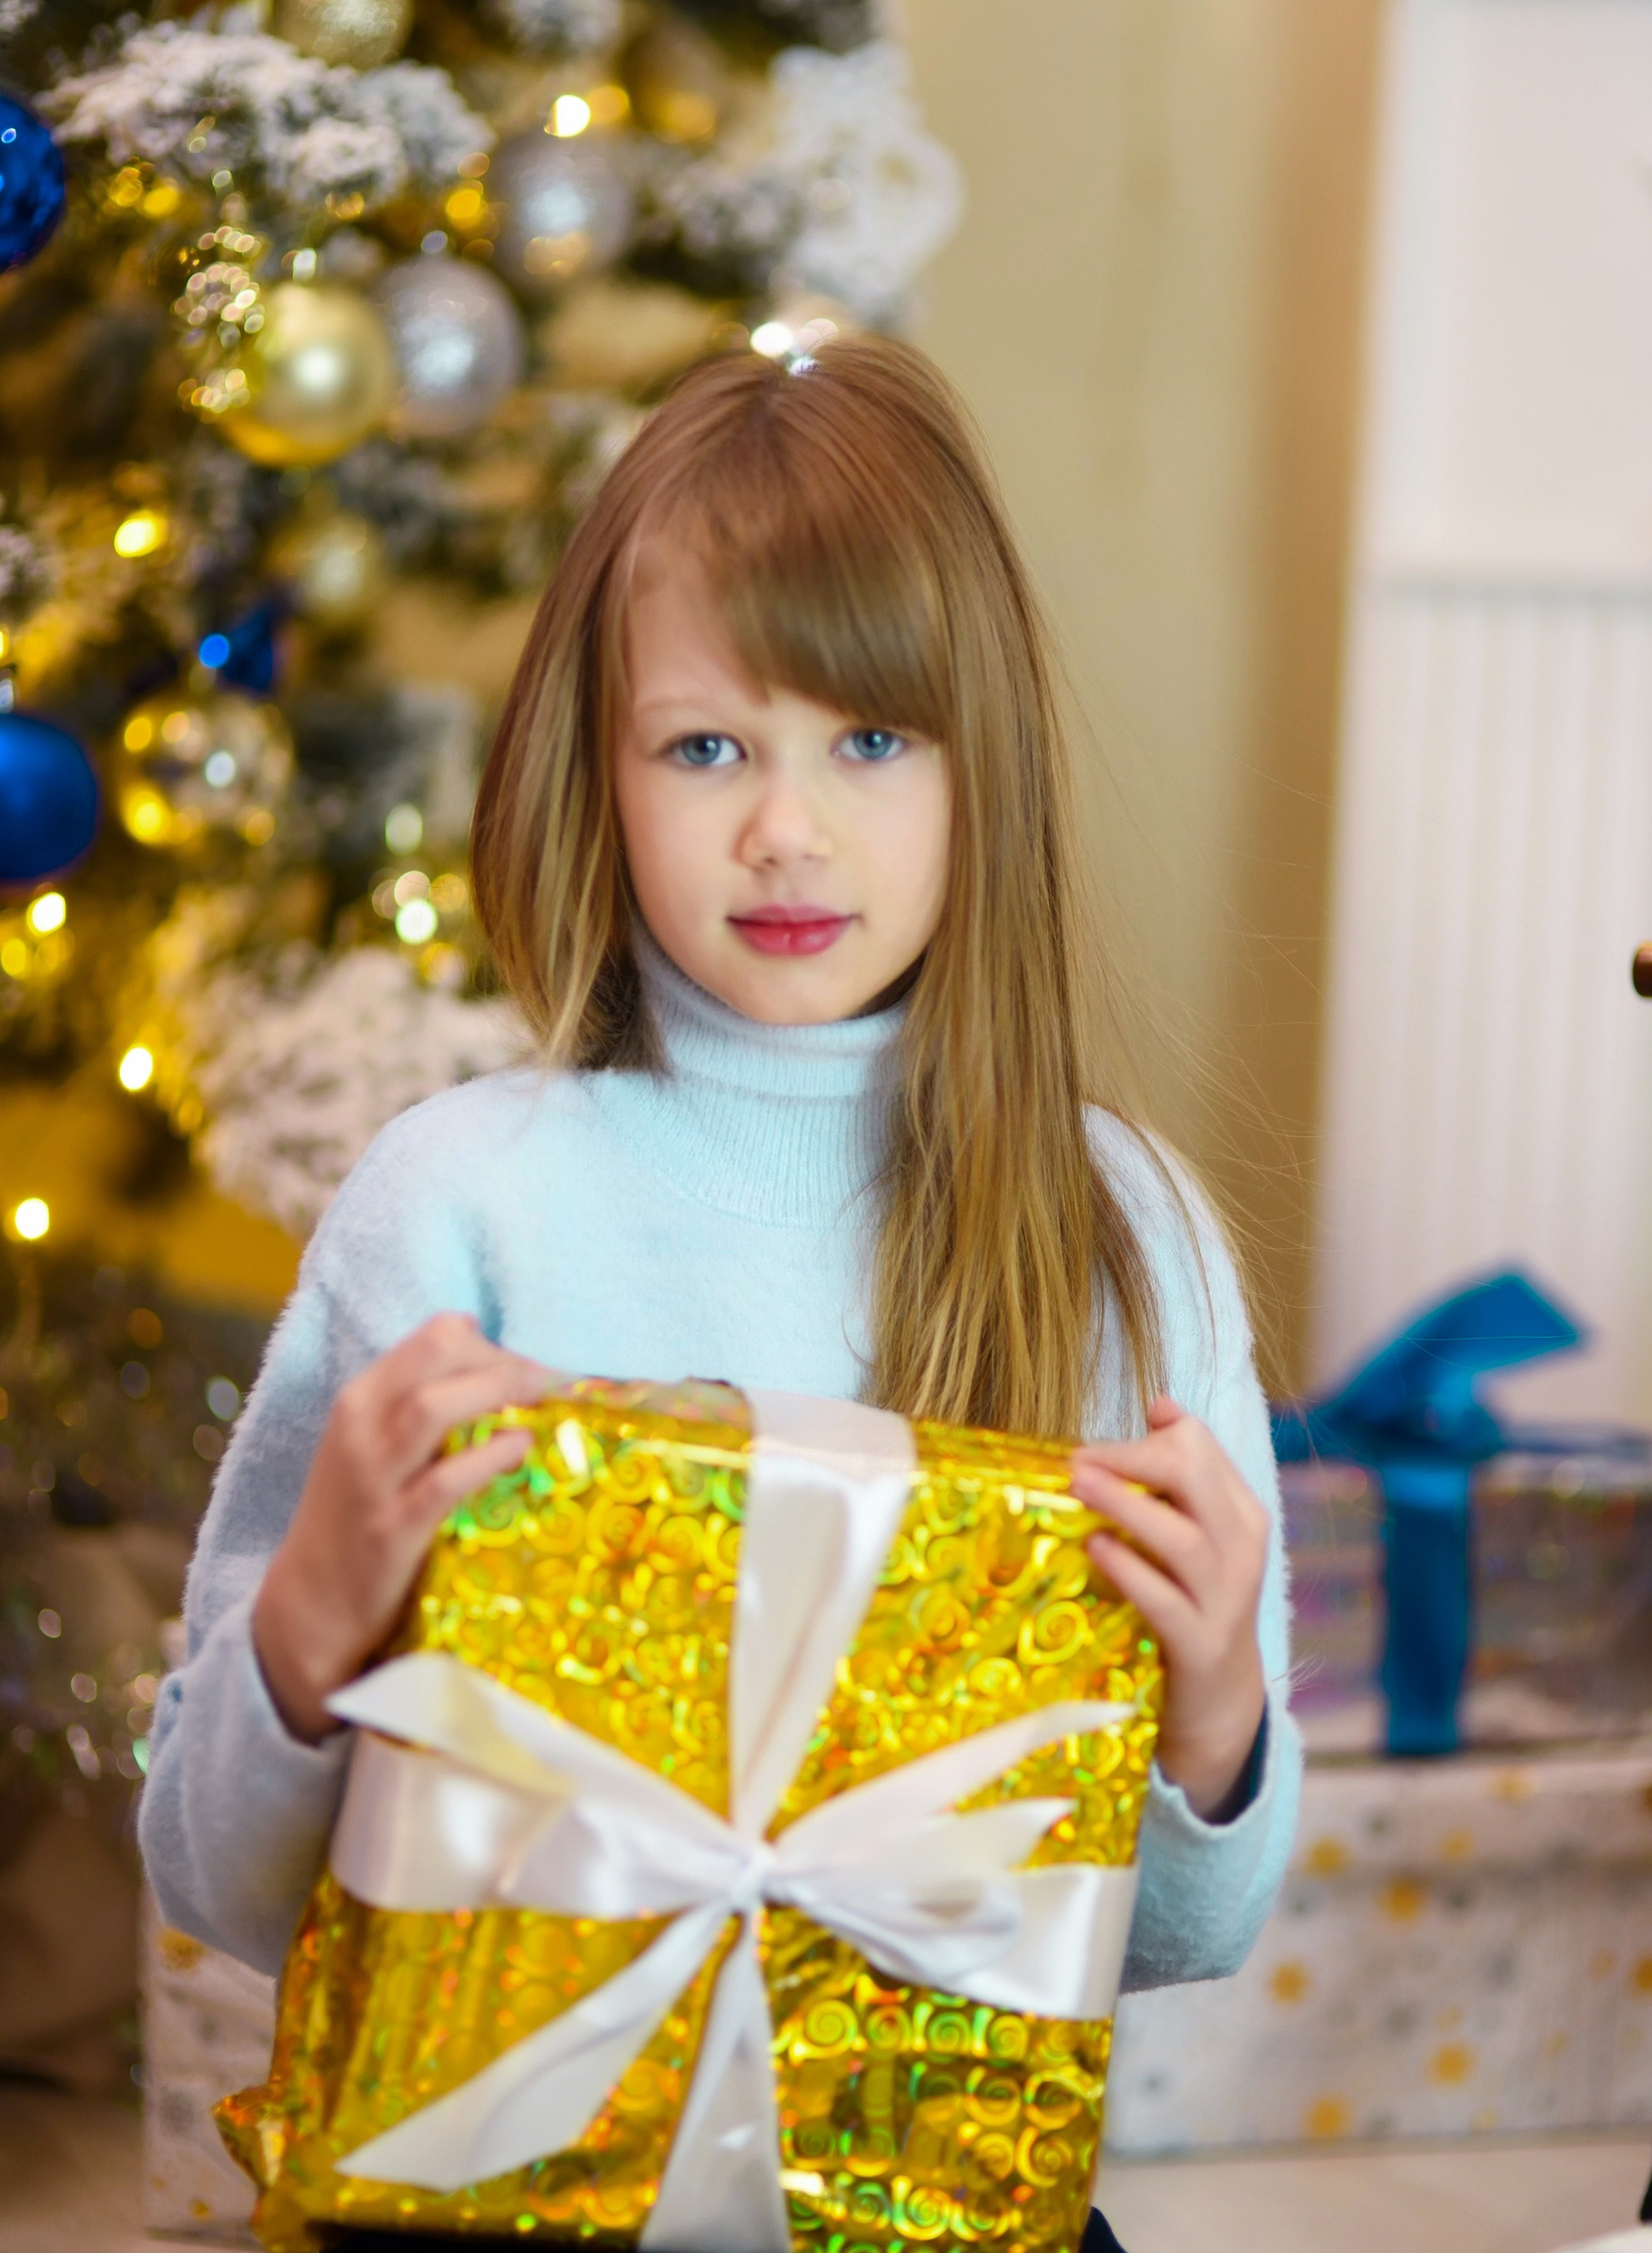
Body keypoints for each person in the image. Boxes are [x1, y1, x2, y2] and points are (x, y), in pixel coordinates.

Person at [141, 339, 1300, 2251]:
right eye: (706, 748)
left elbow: (1179, 1941)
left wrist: (1216, 1711)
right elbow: (217, 1878)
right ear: (594, 770)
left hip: (931, 2205)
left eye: (869, 740)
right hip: (500, 2193)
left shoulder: (1123, 1239)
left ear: (980, 763)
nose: (786, 828)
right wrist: (307, 1639)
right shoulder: (459, 1210)